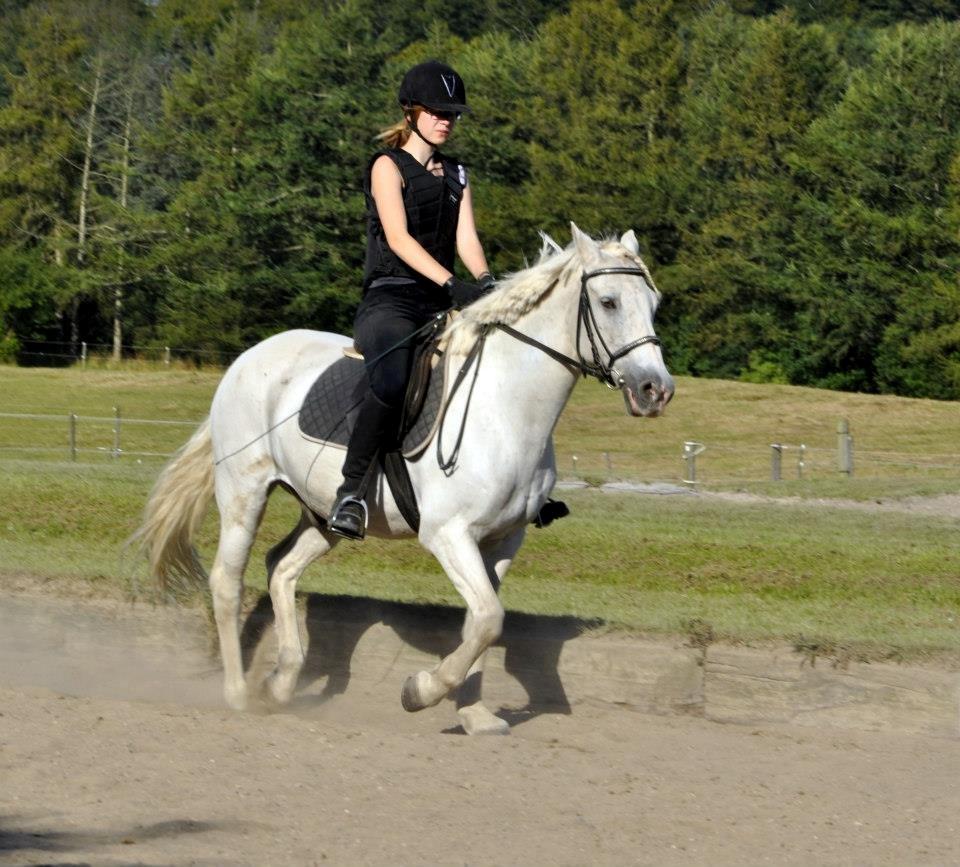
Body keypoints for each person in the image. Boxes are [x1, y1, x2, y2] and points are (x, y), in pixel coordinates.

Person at [328, 60, 495, 540]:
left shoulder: (459, 174)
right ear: (411, 111)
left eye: (452, 114)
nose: (446, 120)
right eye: (438, 111)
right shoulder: (386, 166)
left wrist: (484, 281)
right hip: (391, 301)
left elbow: (467, 239)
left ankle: (512, 490)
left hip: (440, 300)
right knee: (394, 378)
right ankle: (351, 492)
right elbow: (399, 239)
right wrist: (451, 285)